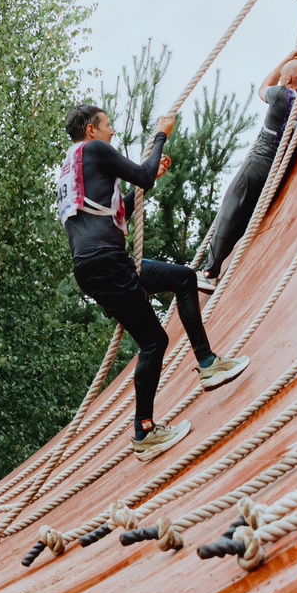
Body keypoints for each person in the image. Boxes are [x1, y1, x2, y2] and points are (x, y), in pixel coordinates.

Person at [57, 103, 250, 460]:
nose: (112, 132)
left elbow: (118, 209)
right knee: (153, 342)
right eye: (107, 125)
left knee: (182, 277)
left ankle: (207, 363)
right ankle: (144, 430)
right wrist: (161, 134)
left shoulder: (71, 167)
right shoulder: (95, 149)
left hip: (100, 263)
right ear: (90, 130)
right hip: (107, 264)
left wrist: (152, 177)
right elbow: (142, 176)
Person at [199, 51, 297, 288]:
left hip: (259, 163)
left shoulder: (280, 95)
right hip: (279, 171)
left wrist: (283, 61)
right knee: (246, 219)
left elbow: (263, 86)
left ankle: (210, 271)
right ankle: (213, 269)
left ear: (287, 81)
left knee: (230, 210)